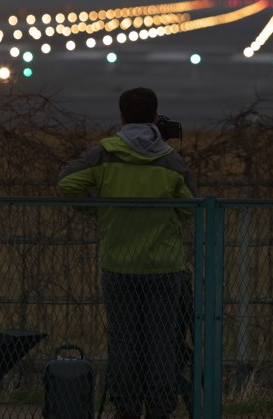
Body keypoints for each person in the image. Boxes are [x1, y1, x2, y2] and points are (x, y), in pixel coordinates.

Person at [58, 87, 197, 419]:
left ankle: (126, 408)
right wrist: (165, 217)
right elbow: (190, 208)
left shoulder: (103, 154)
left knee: (123, 340)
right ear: (154, 117)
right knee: (162, 340)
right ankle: (160, 408)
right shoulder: (170, 160)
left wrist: (102, 211)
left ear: (121, 117)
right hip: (164, 266)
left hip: (119, 263)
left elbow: (66, 184)